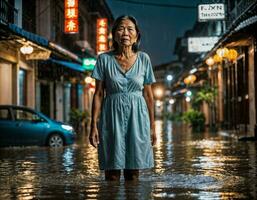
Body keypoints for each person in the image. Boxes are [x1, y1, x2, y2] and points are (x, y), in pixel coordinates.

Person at [89, 15, 156, 181]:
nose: (125, 32)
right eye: (120, 28)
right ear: (114, 35)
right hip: (111, 117)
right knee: (111, 173)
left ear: (136, 36)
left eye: (130, 29)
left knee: (133, 173)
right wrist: (93, 125)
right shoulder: (104, 59)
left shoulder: (144, 59)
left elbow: (148, 95)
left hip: (138, 118)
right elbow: (98, 94)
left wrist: (153, 127)